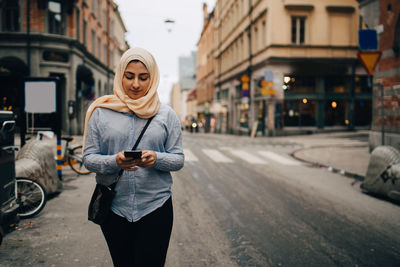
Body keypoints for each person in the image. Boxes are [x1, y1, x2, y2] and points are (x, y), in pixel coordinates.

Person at [82, 47, 184, 267]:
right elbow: (88, 158)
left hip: (156, 207)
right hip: (114, 208)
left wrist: (156, 158)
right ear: (120, 76)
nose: (135, 84)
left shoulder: (166, 115)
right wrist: (114, 162)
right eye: (129, 76)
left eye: (143, 77)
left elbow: (178, 159)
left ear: (153, 78)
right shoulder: (101, 111)